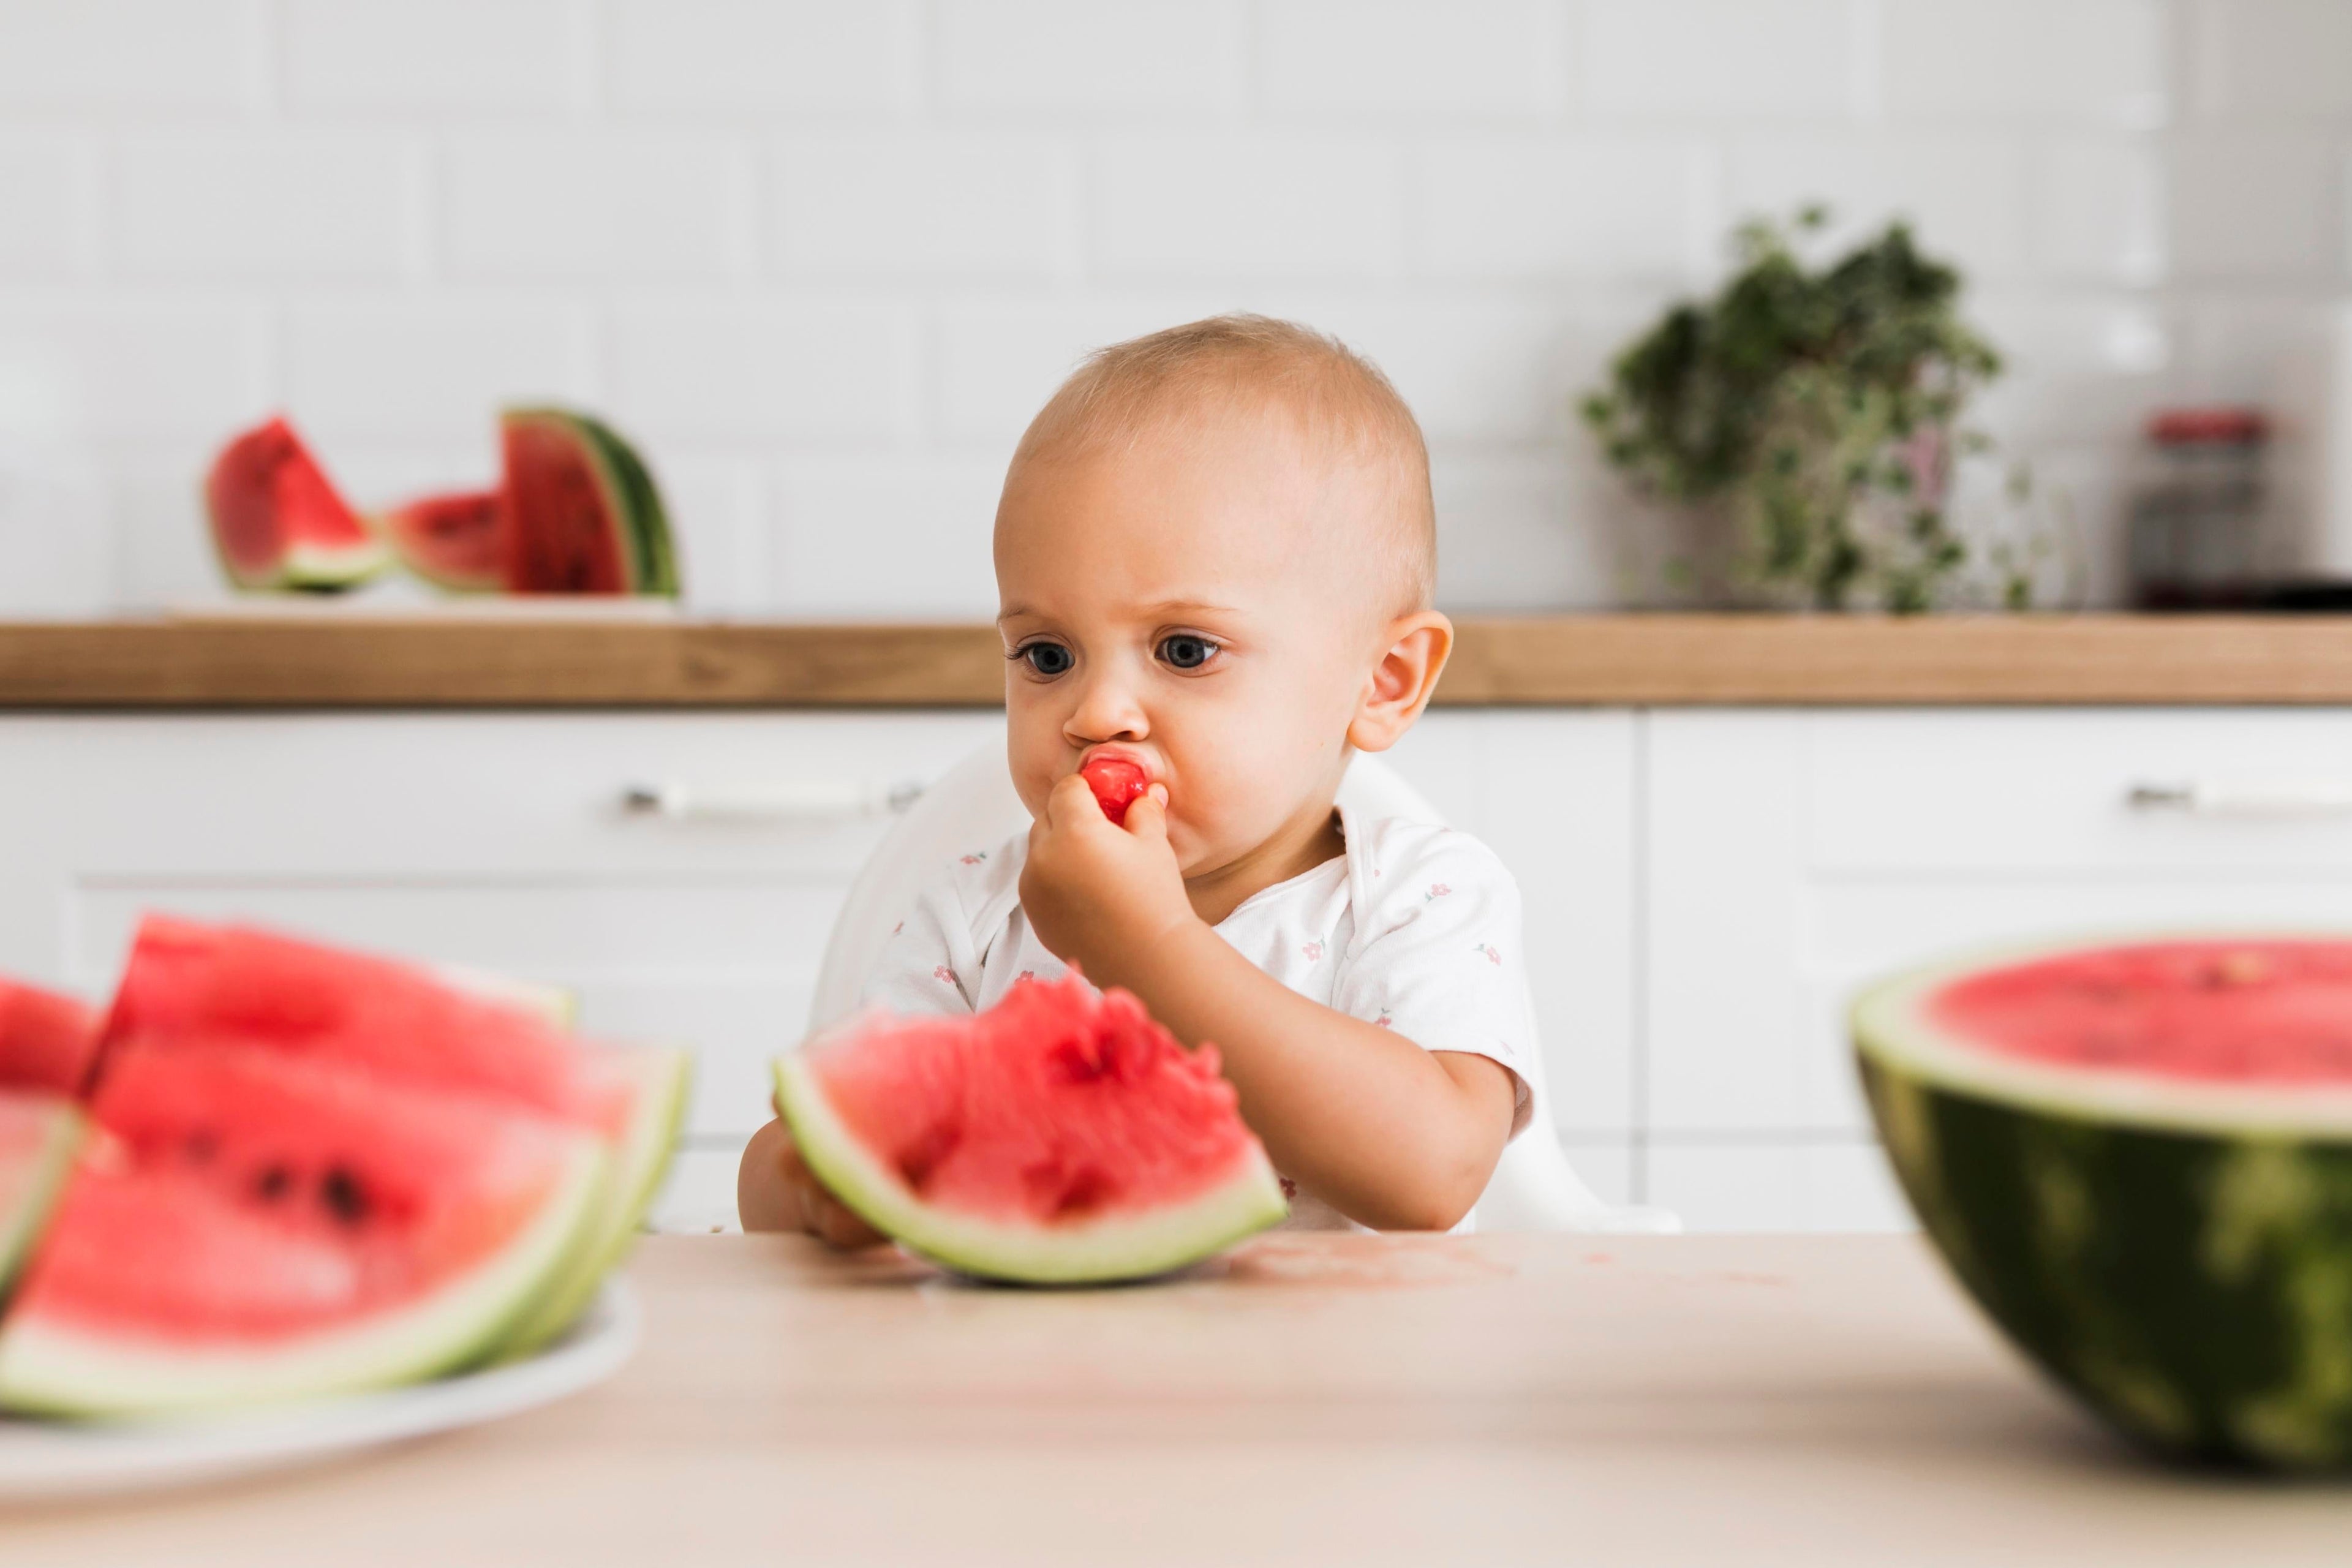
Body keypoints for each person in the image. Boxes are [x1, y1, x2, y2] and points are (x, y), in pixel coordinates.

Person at [739, 314, 1539, 1237]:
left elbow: (1432, 1173)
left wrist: (1147, 947)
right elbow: (791, 1166)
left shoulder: (1419, 897)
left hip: (1346, 1382)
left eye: (1185, 649)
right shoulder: (977, 916)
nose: (1094, 713)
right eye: (1046, 655)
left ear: (1382, 683)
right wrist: (820, 1180)